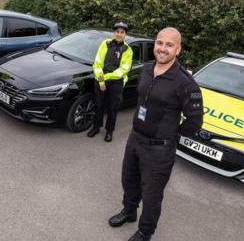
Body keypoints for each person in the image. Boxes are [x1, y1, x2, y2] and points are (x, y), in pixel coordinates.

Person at [108, 27, 203, 241]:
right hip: (135, 138)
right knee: (129, 181)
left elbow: (195, 121)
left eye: (169, 45)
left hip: (159, 149)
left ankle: (145, 232)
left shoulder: (185, 83)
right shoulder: (147, 68)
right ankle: (129, 211)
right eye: (160, 43)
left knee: (152, 195)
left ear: (178, 49)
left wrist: (173, 134)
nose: (163, 48)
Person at [87, 20, 133, 142]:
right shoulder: (105, 44)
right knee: (99, 105)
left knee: (113, 108)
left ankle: (109, 131)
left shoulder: (127, 49)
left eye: (122, 32)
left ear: (125, 34)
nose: (119, 34)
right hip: (101, 79)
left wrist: (105, 78)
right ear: (114, 32)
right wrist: (101, 81)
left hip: (116, 83)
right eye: (117, 31)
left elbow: (123, 70)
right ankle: (96, 127)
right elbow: (97, 63)